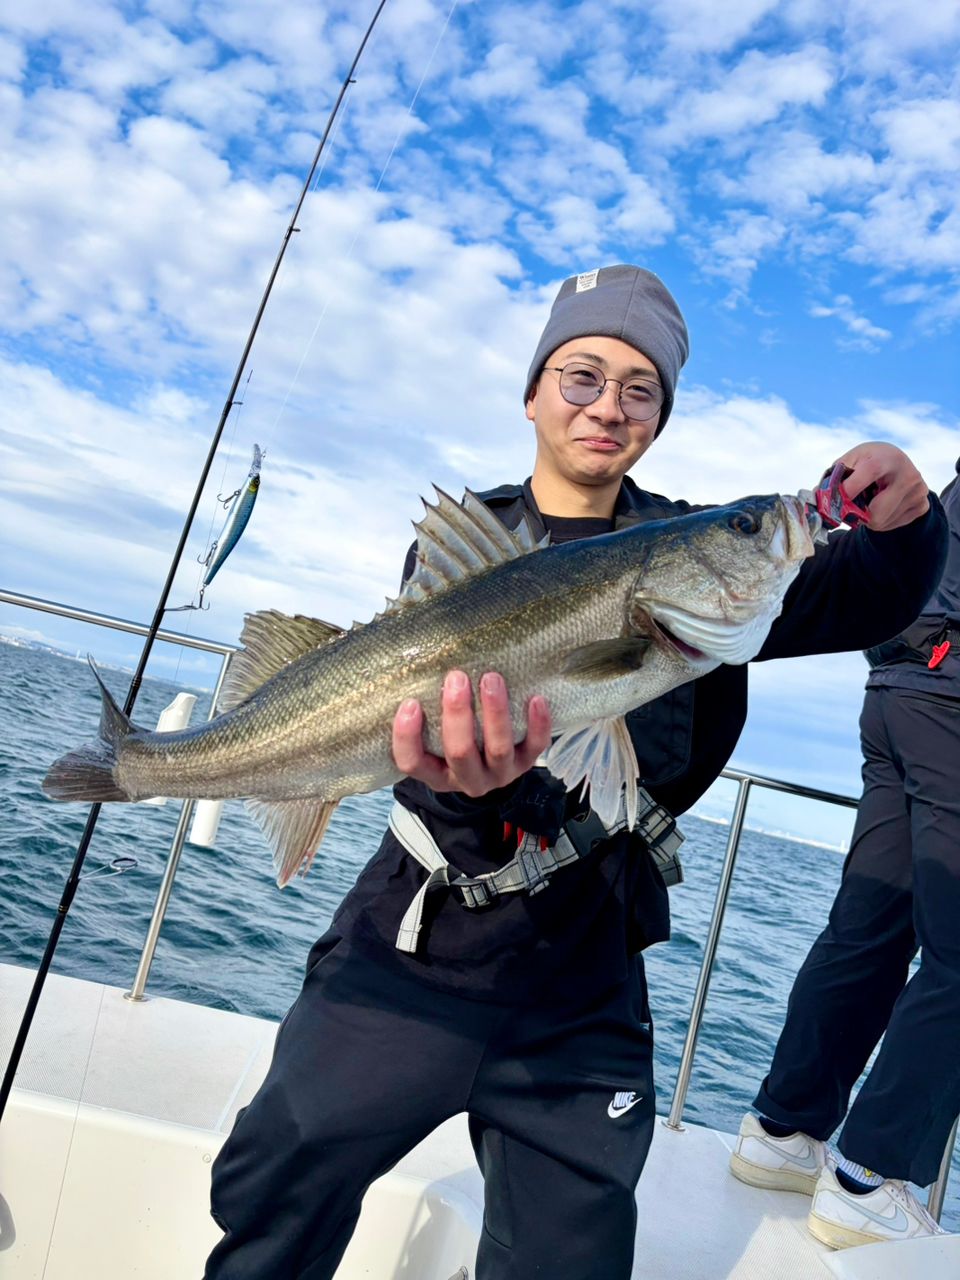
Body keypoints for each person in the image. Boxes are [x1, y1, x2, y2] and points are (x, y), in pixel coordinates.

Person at [204, 264, 946, 1280]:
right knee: (273, 1198)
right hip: (418, 938)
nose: (610, 404)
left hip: (585, 959)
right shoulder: (465, 553)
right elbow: (424, 752)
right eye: (583, 373)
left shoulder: (701, 558)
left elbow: (866, 599)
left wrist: (911, 522)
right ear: (533, 390)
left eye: (642, 388)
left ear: (662, 416)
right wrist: (482, 799)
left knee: (570, 1257)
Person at [731, 459, 960, 1251]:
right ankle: (872, 1176)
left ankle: (783, 1134)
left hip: (900, 689)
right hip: (954, 701)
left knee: (871, 927)